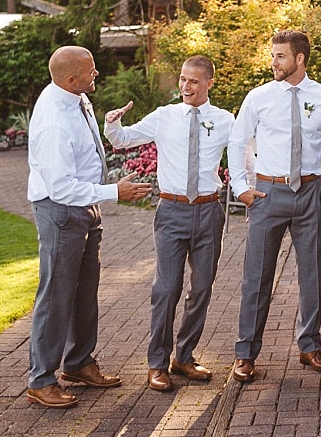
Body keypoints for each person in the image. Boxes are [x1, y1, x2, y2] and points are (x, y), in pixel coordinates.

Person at [25, 46, 153, 409]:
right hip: (61, 212)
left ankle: (78, 363)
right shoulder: (54, 120)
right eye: (91, 71)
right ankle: (40, 379)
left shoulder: (75, 98)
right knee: (55, 295)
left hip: (85, 207)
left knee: (83, 291)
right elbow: (61, 187)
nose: (96, 74)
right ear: (70, 79)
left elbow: (83, 160)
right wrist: (116, 191)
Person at [103, 55, 234, 391]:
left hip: (208, 212)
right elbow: (122, 139)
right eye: (182, 79)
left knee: (202, 288)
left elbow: (245, 154)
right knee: (166, 289)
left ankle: (184, 356)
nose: (185, 86)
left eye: (193, 81)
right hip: (171, 212)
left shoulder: (224, 120)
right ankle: (157, 363)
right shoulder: (164, 116)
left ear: (208, 83)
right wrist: (113, 123)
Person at [226, 30, 321, 384]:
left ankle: (309, 346)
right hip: (268, 195)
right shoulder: (258, 97)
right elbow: (237, 140)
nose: (273, 62)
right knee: (256, 278)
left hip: (310, 195)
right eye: (273, 55)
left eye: (280, 56)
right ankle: (245, 354)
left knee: (312, 275)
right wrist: (241, 188)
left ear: (299, 58)